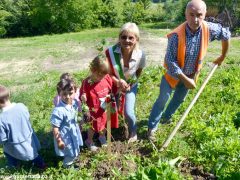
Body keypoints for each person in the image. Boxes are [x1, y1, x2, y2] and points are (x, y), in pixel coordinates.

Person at [147, 0, 231, 140]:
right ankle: (152, 127)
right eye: (191, 15)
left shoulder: (208, 28)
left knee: (178, 100)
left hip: (191, 74)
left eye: (199, 15)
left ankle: (166, 118)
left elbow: (226, 34)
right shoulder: (176, 35)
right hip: (173, 75)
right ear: (186, 14)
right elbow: (170, 61)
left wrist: (223, 55)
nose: (195, 19)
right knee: (163, 99)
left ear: (205, 15)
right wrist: (186, 80)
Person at [105, 22, 146, 143]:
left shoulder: (141, 55)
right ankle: (111, 130)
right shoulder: (110, 53)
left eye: (131, 38)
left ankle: (133, 132)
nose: (126, 40)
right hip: (113, 85)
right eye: (123, 37)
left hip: (130, 86)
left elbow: (139, 71)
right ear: (119, 38)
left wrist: (131, 83)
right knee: (112, 109)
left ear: (136, 39)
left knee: (128, 111)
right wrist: (118, 82)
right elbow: (107, 73)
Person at [0, 85, 46, 169]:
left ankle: (14, 166)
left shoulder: (1, 118)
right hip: (29, 139)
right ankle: (42, 166)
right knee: (34, 156)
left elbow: (3, 139)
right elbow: (27, 118)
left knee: (7, 152)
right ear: (9, 94)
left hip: (15, 145)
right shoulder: (21, 106)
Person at [80, 55, 118, 151]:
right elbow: (82, 94)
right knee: (93, 127)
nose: (101, 78)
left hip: (104, 108)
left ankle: (102, 137)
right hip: (93, 110)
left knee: (104, 123)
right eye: (99, 75)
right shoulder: (87, 82)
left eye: (104, 75)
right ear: (93, 70)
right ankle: (89, 140)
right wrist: (83, 97)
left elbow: (111, 90)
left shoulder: (107, 78)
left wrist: (112, 96)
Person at [50, 79, 83, 168]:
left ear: (75, 92)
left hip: (73, 132)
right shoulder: (58, 110)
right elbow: (55, 127)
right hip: (65, 136)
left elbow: (77, 115)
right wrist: (59, 140)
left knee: (74, 148)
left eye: (70, 93)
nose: (68, 96)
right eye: (64, 94)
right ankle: (67, 166)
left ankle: (72, 158)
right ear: (59, 94)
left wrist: (80, 122)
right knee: (69, 151)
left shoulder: (75, 103)